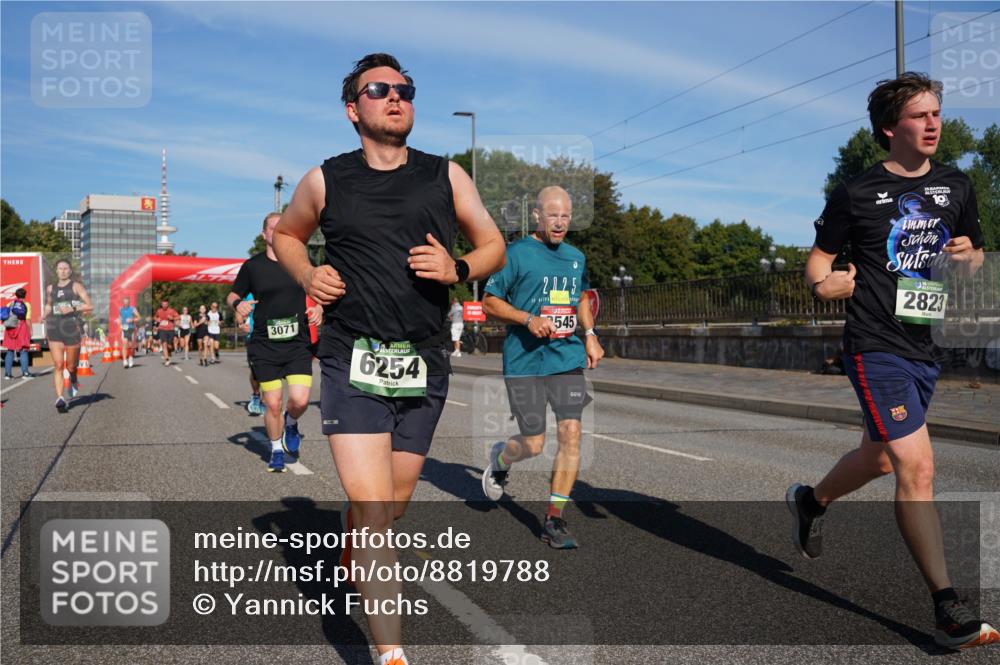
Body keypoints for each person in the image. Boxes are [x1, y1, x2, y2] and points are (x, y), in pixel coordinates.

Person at [273, 53, 505, 665]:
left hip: (423, 360)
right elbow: (287, 235)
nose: (395, 97)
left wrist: (458, 268)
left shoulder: (445, 176)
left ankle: (356, 541)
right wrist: (307, 271)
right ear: (354, 109)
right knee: (376, 515)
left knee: (393, 505)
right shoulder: (326, 180)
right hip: (352, 359)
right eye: (379, 90)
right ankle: (392, 655)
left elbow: (493, 246)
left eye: (404, 89)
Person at [788, 72, 997, 651]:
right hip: (874, 343)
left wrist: (967, 257)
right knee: (916, 467)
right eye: (920, 116)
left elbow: (973, 257)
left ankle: (811, 501)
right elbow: (820, 261)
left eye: (937, 114)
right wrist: (822, 286)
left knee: (879, 459)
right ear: (890, 128)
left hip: (925, 341)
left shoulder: (958, 186)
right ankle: (946, 608)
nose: (934, 124)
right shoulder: (856, 193)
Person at [480, 186, 604, 549]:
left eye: (566, 215)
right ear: (537, 216)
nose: (560, 222)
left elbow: (581, 297)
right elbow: (489, 301)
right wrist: (526, 318)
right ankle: (502, 458)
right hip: (525, 361)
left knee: (571, 434)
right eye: (553, 215)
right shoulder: (515, 254)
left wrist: (591, 333)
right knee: (534, 444)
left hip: (566, 358)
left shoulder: (575, 257)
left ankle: (554, 519)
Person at [228, 213, 323, 472]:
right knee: (272, 403)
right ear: (264, 234)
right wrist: (239, 304)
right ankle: (276, 450)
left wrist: (320, 309)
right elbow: (233, 295)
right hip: (265, 345)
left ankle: (291, 423)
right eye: (273, 228)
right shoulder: (253, 266)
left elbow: (318, 290)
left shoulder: (301, 262)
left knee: (301, 401)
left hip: (297, 343)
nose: (279, 231)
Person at [42, 259, 92, 412]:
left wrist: (71, 307)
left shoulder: (76, 286)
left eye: (65, 268)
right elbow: (49, 304)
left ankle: (74, 378)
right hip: (54, 328)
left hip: (72, 328)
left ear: (70, 271)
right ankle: (60, 398)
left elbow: (89, 305)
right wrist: (44, 314)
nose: (63, 271)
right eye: (60, 268)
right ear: (56, 271)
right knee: (58, 365)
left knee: (71, 366)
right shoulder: (51, 288)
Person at [235, 292, 264, 416]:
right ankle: (256, 395)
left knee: (272, 371)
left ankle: (269, 401)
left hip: (273, 337)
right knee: (256, 372)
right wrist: (241, 324)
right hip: (254, 336)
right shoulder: (249, 294)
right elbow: (238, 310)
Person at [3, 287, 34, 379]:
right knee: (23, 350)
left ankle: (7, 374)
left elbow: (6, 316)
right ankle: (25, 373)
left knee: (10, 350)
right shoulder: (26, 304)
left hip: (10, 328)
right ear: (25, 295)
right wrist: (30, 330)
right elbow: (27, 319)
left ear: (16, 295)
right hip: (21, 327)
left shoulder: (10, 304)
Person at [154, 300, 179, 366]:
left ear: (168, 304)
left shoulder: (172, 310)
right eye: (163, 304)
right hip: (162, 329)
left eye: (166, 304)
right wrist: (157, 319)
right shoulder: (159, 311)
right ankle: (167, 359)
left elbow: (178, 317)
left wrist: (172, 318)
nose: (164, 305)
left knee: (169, 346)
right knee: (164, 344)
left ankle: (170, 350)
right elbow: (155, 317)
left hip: (170, 329)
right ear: (161, 305)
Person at [118, 295, 140, 369]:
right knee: (124, 344)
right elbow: (120, 317)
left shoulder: (133, 309)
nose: (126, 303)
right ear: (123, 302)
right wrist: (119, 321)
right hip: (124, 329)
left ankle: (130, 358)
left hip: (131, 329)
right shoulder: (120, 309)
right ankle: (125, 361)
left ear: (129, 302)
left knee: (130, 346)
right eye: (125, 302)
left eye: (127, 302)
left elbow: (139, 317)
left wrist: (132, 320)